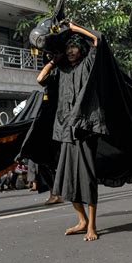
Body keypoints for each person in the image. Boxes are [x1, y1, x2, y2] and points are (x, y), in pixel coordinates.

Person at [37, 22, 100, 241]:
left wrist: (75, 28)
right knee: (66, 182)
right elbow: (40, 79)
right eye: (68, 47)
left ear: (80, 49)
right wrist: (54, 61)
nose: (71, 50)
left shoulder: (88, 64)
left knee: (87, 179)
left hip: (84, 130)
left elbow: (97, 41)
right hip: (65, 131)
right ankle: (81, 220)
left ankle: (92, 226)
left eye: (74, 47)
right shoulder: (62, 70)